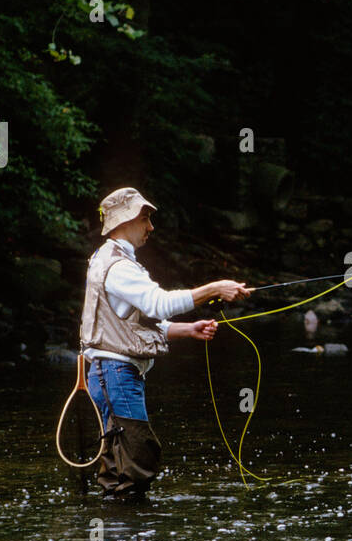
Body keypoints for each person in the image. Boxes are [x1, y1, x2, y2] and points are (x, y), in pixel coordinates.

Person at [79, 186, 251, 498]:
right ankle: (126, 540)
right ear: (125, 221)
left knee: (120, 464)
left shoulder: (107, 259)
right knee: (136, 460)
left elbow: (133, 323)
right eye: (145, 219)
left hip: (108, 373)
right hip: (115, 375)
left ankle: (117, 535)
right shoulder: (118, 267)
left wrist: (188, 330)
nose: (151, 227)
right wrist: (215, 288)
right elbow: (159, 303)